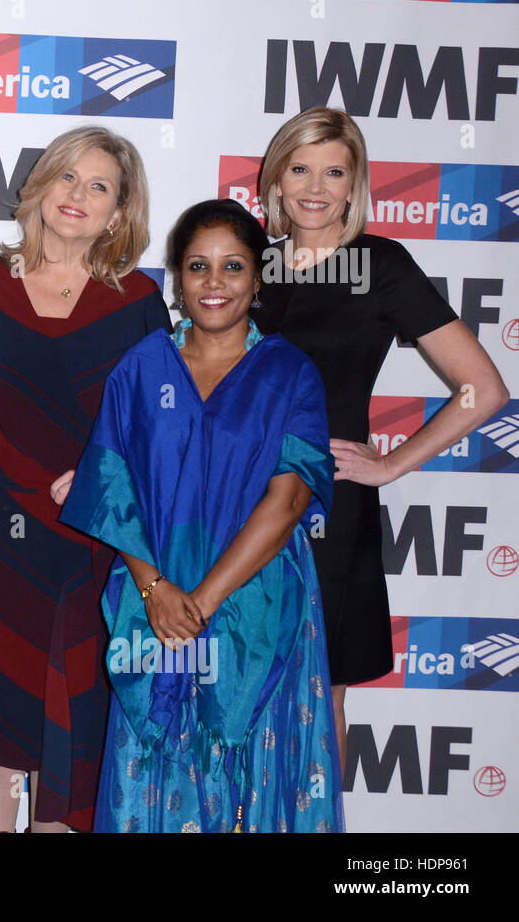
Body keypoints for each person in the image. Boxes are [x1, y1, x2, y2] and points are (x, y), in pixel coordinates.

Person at [60, 198, 344, 832]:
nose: (214, 283)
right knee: (156, 760)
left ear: (259, 278)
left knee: (253, 767)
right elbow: (113, 488)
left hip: (257, 598)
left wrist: (204, 601)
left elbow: (291, 497)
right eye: (198, 266)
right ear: (177, 278)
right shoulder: (141, 369)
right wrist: (158, 591)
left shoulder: (289, 374)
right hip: (153, 595)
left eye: (233, 266)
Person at [0, 126, 171, 832]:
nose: (79, 197)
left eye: (100, 187)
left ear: (119, 213)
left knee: (77, 690)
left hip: (88, 525)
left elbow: (155, 429)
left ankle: (53, 826)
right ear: (41, 186)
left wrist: (101, 471)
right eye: (69, 177)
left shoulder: (137, 304)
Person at [251, 108, 509, 770]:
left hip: (329, 510)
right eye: (300, 168)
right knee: (236, 690)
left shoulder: (380, 264)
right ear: (275, 180)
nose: (315, 186)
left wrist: (393, 465)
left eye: (334, 171)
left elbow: (483, 387)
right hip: (237, 500)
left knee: (320, 692)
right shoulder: (249, 269)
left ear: (355, 184)